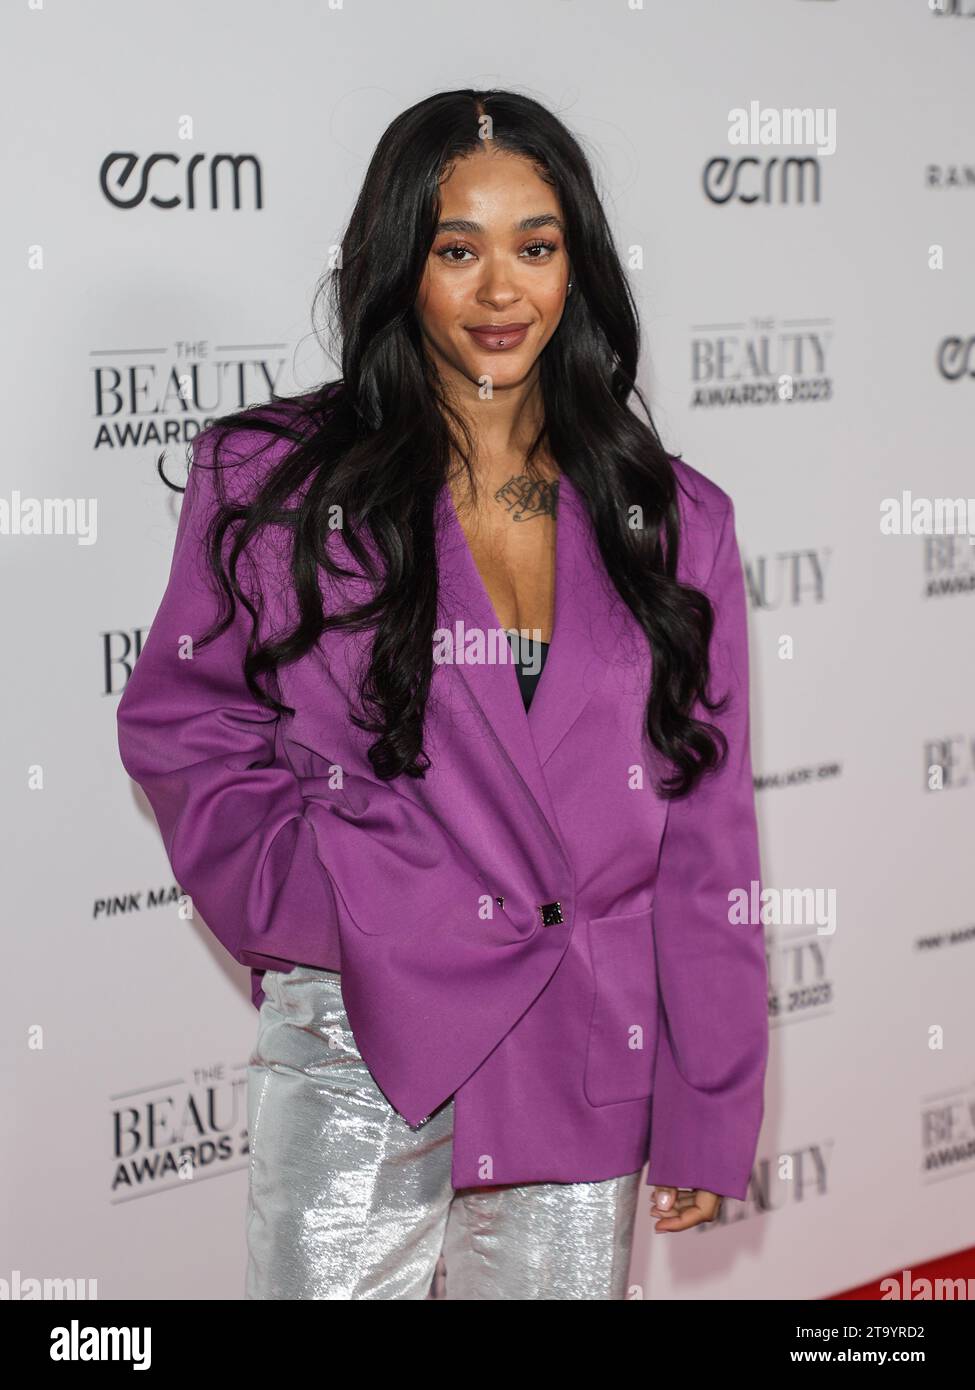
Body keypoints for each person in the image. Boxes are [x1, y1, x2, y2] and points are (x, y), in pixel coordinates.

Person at [116, 88, 769, 1301]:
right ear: (396, 263)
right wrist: (334, 905)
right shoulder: (273, 481)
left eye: (536, 245)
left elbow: (707, 834)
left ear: (579, 265)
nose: (500, 290)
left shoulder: (674, 521)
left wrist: (711, 1098)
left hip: (581, 1048)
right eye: (456, 249)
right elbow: (183, 724)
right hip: (362, 1037)